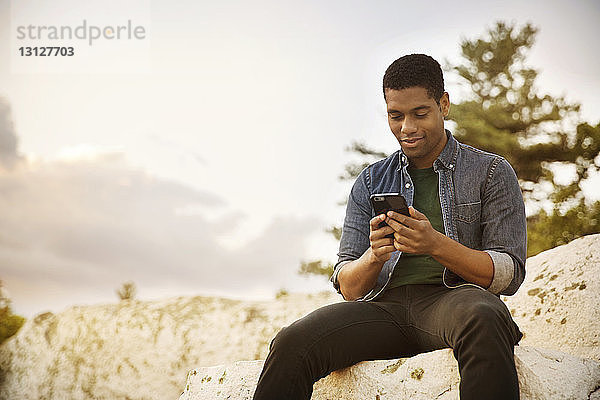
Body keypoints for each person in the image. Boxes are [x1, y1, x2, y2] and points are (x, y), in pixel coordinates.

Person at [253, 54, 526, 400]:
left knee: (485, 315)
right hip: (384, 310)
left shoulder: (491, 172)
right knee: (293, 341)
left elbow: (509, 273)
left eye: (420, 114)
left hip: (453, 304)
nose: (407, 128)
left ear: (444, 104)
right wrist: (374, 256)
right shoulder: (370, 181)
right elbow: (349, 287)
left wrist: (435, 245)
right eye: (395, 116)